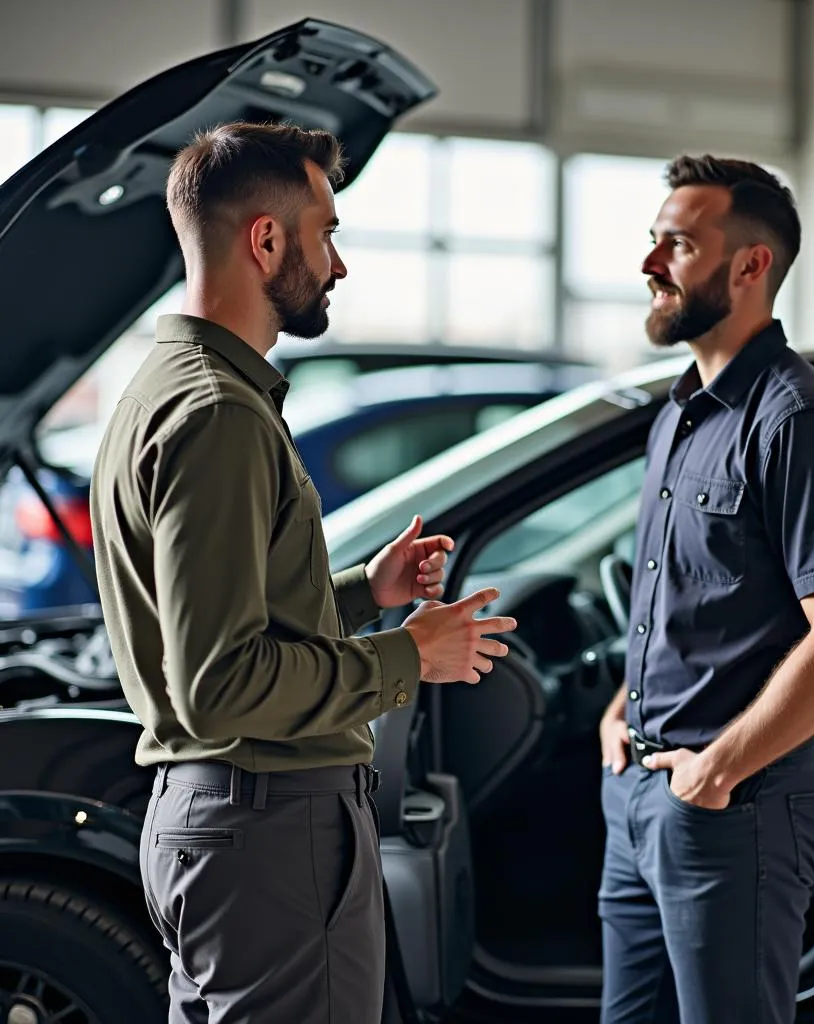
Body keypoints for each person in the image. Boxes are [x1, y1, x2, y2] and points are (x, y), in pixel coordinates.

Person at [89, 122, 517, 1024]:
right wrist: (413, 658)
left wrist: (365, 591)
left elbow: (220, 618)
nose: (339, 263)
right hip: (271, 835)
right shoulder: (220, 416)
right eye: (327, 231)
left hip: (228, 828)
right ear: (267, 239)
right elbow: (221, 685)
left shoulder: (168, 386)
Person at [597, 155, 814, 1024]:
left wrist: (716, 772)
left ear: (751, 265)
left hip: (735, 807)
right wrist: (621, 707)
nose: (651, 265)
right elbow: (681, 596)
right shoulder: (679, 415)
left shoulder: (798, 419)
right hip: (644, 793)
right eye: (654, 242)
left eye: (677, 245)